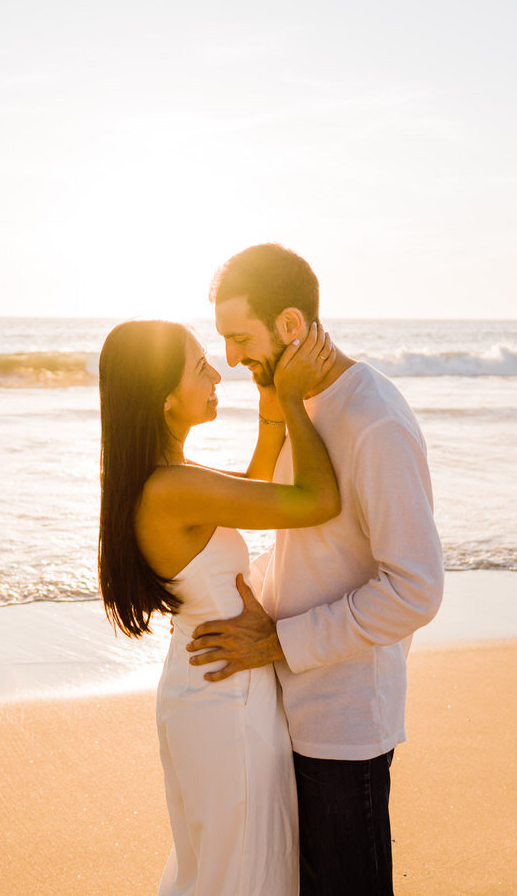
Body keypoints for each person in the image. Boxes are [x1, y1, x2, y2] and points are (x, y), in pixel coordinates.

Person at [187, 243, 444, 895]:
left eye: (241, 339)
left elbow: (417, 589)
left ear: (292, 326)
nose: (234, 359)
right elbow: (314, 549)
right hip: (291, 705)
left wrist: (279, 640)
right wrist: (254, 601)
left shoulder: (373, 420)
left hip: (344, 723)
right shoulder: (305, 405)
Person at [98, 319, 339, 895]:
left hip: (211, 685)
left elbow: (256, 479)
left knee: (222, 867)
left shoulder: (168, 482)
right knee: (240, 872)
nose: (217, 375)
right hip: (222, 698)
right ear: (164, 400)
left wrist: (270, 405)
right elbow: (317, 500)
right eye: (199, 366)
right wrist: (293, 402)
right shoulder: (172, 489)